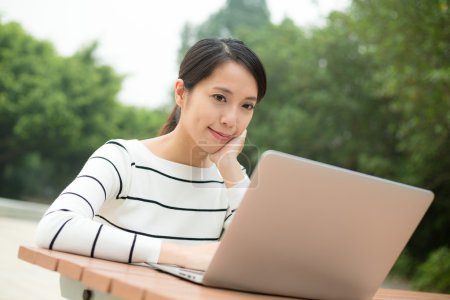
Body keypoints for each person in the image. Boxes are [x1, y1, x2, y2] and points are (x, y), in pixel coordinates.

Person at [35, 38, 267, 271]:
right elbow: (54, 227)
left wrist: (229, 167)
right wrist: (180, 256)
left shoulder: (231, 182)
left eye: (246, 106)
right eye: (219, 98)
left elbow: (265, 262)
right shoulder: (123, 160)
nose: (231, 120)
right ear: (181, 93)